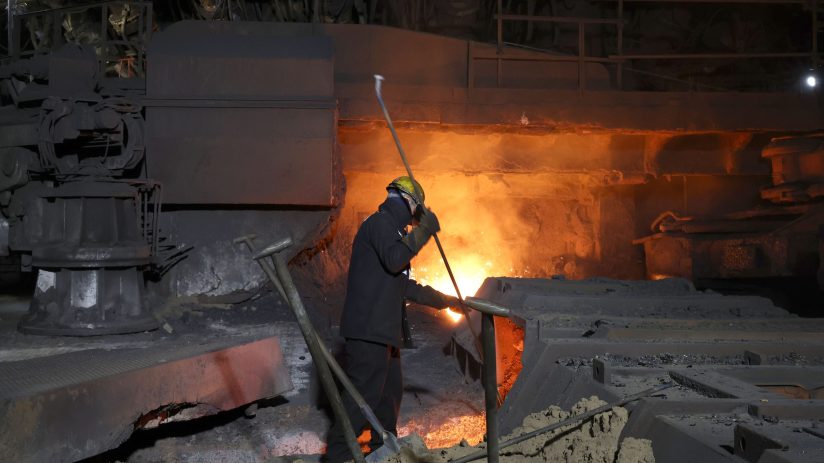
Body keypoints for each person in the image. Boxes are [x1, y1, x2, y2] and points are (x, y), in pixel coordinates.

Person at [325, 176, 460, 463]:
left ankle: (382, 450)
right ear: (409, 202)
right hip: (368, 330)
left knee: (389, 396)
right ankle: (336, 456)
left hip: (384, 332)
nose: (414, 219)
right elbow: (394, 259)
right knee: (361, 399)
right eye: (415, 212)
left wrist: (446, 302)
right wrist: (423, 232)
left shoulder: (392, 232)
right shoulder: (380, 224)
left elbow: (404, 286)